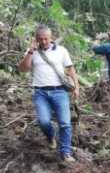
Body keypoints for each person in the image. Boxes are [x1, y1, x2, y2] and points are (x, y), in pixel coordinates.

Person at [18, 24, 79, 164]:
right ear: (36, 39)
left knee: (64, 123)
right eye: (40, 39)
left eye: (46, 38)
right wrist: (30, 51)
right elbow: (23, 69)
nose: (43, 42)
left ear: (51, 38)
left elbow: (70, 70)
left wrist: (76, 87)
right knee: (44, 121)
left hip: (60, 91)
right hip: (40, 92)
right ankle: (51, 136)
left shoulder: (62, 51)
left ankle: (66, 152)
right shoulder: (32, 51)